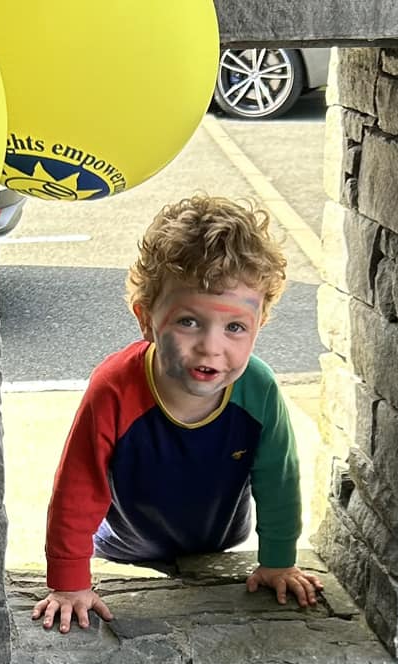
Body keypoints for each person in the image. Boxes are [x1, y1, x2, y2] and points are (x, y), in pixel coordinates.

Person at [32, 195, 323, 633]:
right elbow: (78, 486)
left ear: (259, 325)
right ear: (146, 319)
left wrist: (278, 561)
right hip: (126, 550)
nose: (211, 347)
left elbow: (278, 479)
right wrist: (70, 582)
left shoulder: (258, 388)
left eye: (235, 327)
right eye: (189, 322)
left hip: (219, 545)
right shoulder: (114, 389)